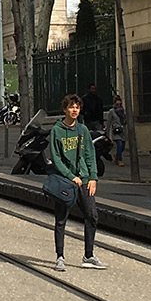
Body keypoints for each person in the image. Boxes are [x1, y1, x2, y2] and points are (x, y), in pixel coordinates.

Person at [49, 94, 106, 272]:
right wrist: (69, 175)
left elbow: (90, 155)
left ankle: (88, 255)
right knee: (61, 219)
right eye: (71, 107)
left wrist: (93, 178)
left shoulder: (83, 130)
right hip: (66, 181)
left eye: (77, 107)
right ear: (65, 109)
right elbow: (55, 158)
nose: (74, 110)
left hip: (84, 180)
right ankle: (60, 256)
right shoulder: (57, 131)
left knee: (92, 215)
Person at [104, 95, 127, 167]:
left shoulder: (123, 111)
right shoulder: (112, 111)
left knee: (122, 146)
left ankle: (117, 155)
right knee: (119, 144)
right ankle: (120, 160)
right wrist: (107, 133)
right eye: (117, 104)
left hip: (122, 130)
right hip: (116, 130)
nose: (119, 106)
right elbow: (109, 122)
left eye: (120, 104)